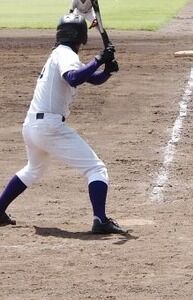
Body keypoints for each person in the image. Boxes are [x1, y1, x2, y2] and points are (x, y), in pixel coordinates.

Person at [0, 13, 126, 234]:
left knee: (33, 169)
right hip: (48, 127)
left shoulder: (59, 54)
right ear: (81, 36)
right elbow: (74, 78)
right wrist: (98, 59)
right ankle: (100, 220)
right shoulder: (66, 54)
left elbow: (89, 78)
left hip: (32, 126)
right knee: (96, 168)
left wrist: (105, 71)